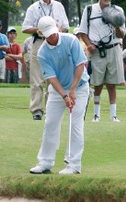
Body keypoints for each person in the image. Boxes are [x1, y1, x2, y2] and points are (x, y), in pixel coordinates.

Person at [29, 16, 89, 175]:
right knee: (50, 123)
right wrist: (64, 95)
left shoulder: (71, 41)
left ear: (57, 27)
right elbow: (51, 77)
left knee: (75, 124)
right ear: (41, 33)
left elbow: (80, 65)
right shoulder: (42, 53)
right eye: (48, 34)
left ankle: (74, 165)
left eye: (54, 32)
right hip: (57, 90)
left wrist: (73, 90)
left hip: (80, 87)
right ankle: (45, 162)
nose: (53, 36)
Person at [78, 0, 126, 122]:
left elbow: (122, 34)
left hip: (114, 49)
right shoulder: (89, 10)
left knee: (112, 84)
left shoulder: (118, 10)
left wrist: (116, 26)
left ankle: (113, 115)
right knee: (97, 84)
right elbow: (82, 32)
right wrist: (89, 44)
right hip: (97, 51)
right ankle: (96, 115)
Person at [22, 0, 69, 120]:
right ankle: (36, 110)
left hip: (56, 43)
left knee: (53, 78)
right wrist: (39, 30)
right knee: (37, 79)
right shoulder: (33, 8)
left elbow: (66, 25)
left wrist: (57, 30)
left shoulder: (58, 6)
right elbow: (25, 28)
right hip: (38, 42)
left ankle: (51, 109)